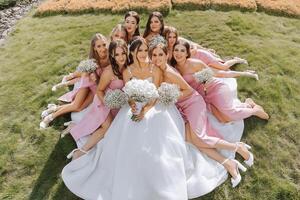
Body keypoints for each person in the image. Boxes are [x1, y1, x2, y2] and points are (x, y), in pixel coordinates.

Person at [149, 39, 253, 188]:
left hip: (193, 103)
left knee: (200, 137)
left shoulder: (169, 72)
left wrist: (170, 97)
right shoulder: (159, 69)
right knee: (194, 140)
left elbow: (188, 91)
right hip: (181, 107)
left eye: (160, 54)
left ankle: (238, 148)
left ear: (166, 55)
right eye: (154, 55)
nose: (157, 58)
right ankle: (228, 163)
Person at [171, 40, 269, 122]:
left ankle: (255, 110)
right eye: (176, 50)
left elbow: (211, 76)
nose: (178, 53)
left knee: (231, 114)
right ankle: (247, 104)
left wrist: (204, 86)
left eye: (182, 51)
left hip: (215, 89)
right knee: (223, 119)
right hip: (203, 96)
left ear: (187, 53)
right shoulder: (174, 68)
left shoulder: (195, 64)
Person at [66, 39, 127, 160]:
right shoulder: (109, 72)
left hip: (117, 104)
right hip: (103, 101)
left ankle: (75, 126)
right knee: (107, 127)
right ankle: (81, 151)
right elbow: (99, 90)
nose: (121, 57)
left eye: (123, 53)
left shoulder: (128, 68)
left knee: (113, 127)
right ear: (113, 56)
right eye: (117, 54)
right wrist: (106, 102)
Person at [40, 33, 110, 129]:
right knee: (76, 105)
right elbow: (84, 75)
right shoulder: (92, 60)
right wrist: (90, 75)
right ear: (94, 48)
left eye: (104, 45)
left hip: (96, 88)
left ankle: (54, 108)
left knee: (79, 108)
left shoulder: (110, 57)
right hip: (87, 84)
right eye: (99, 46)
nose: (102, 49)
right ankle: (49, 118)